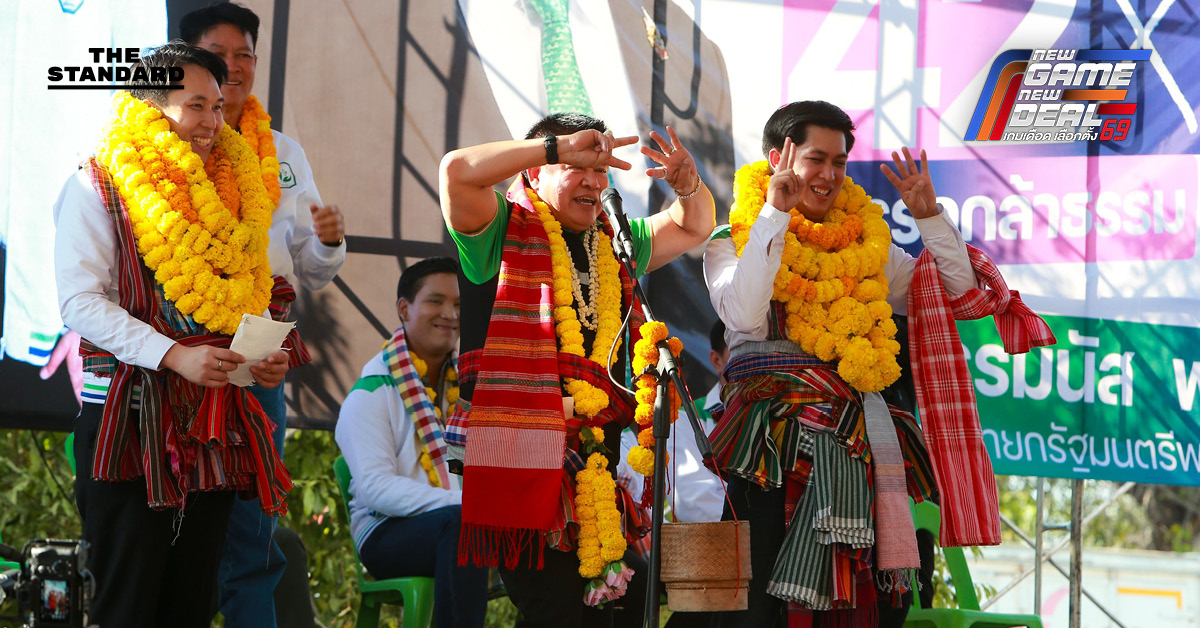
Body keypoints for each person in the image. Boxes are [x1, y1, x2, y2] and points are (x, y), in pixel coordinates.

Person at [703, 100, 977, 627]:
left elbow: (956, 295)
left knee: (867, 613)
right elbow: (743, 313)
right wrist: (775, 216)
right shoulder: (730, 240)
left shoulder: (869, 248)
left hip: (858, 451)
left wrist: (929, 218)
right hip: (767, 460)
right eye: (815, 159)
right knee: (752, 614)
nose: (829, 175)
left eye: (840, 162)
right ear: (776, 158)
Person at [439, 112, 715, 627]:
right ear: (534, 173)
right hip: (521, 460)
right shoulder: (499, 229)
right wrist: (555, 146)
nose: (592, 179)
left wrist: (689, 185)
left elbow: (693, 223)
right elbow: (456, 172)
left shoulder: (613, 243)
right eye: (576, 165)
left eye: (600, 166)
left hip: (595, 461)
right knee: (557, 608)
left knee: (619, 608)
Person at [54, 42, 292, 628]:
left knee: (190, 605)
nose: (213, 122)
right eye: (196, 107)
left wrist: (264, 355)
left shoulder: (229, 193)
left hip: (212, 424)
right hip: (128, 424)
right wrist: (172, 357)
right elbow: (80, 303)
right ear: (149, 107)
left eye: (217, 106)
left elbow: (256, 291)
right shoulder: (96, 183)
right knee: (127, 605)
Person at [179, 4, 347, 625]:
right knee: (179, 535)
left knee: (253, 535)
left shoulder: (284, 151)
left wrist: (327, 243)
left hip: (258, 358)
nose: (235, 66)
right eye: (219, 53)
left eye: (245, 53)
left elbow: (311, 269)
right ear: (188, 62)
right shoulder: (158, 149)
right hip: (177, 356)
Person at [335, 256, 488, 628]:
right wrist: (464, 503)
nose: (450, 314)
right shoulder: (370, 392)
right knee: (462, 524)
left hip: (458, 525)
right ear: (404, 308)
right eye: (436, 301)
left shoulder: (467, 388)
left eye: (458, 305)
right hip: (386, 533)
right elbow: (374, 489)